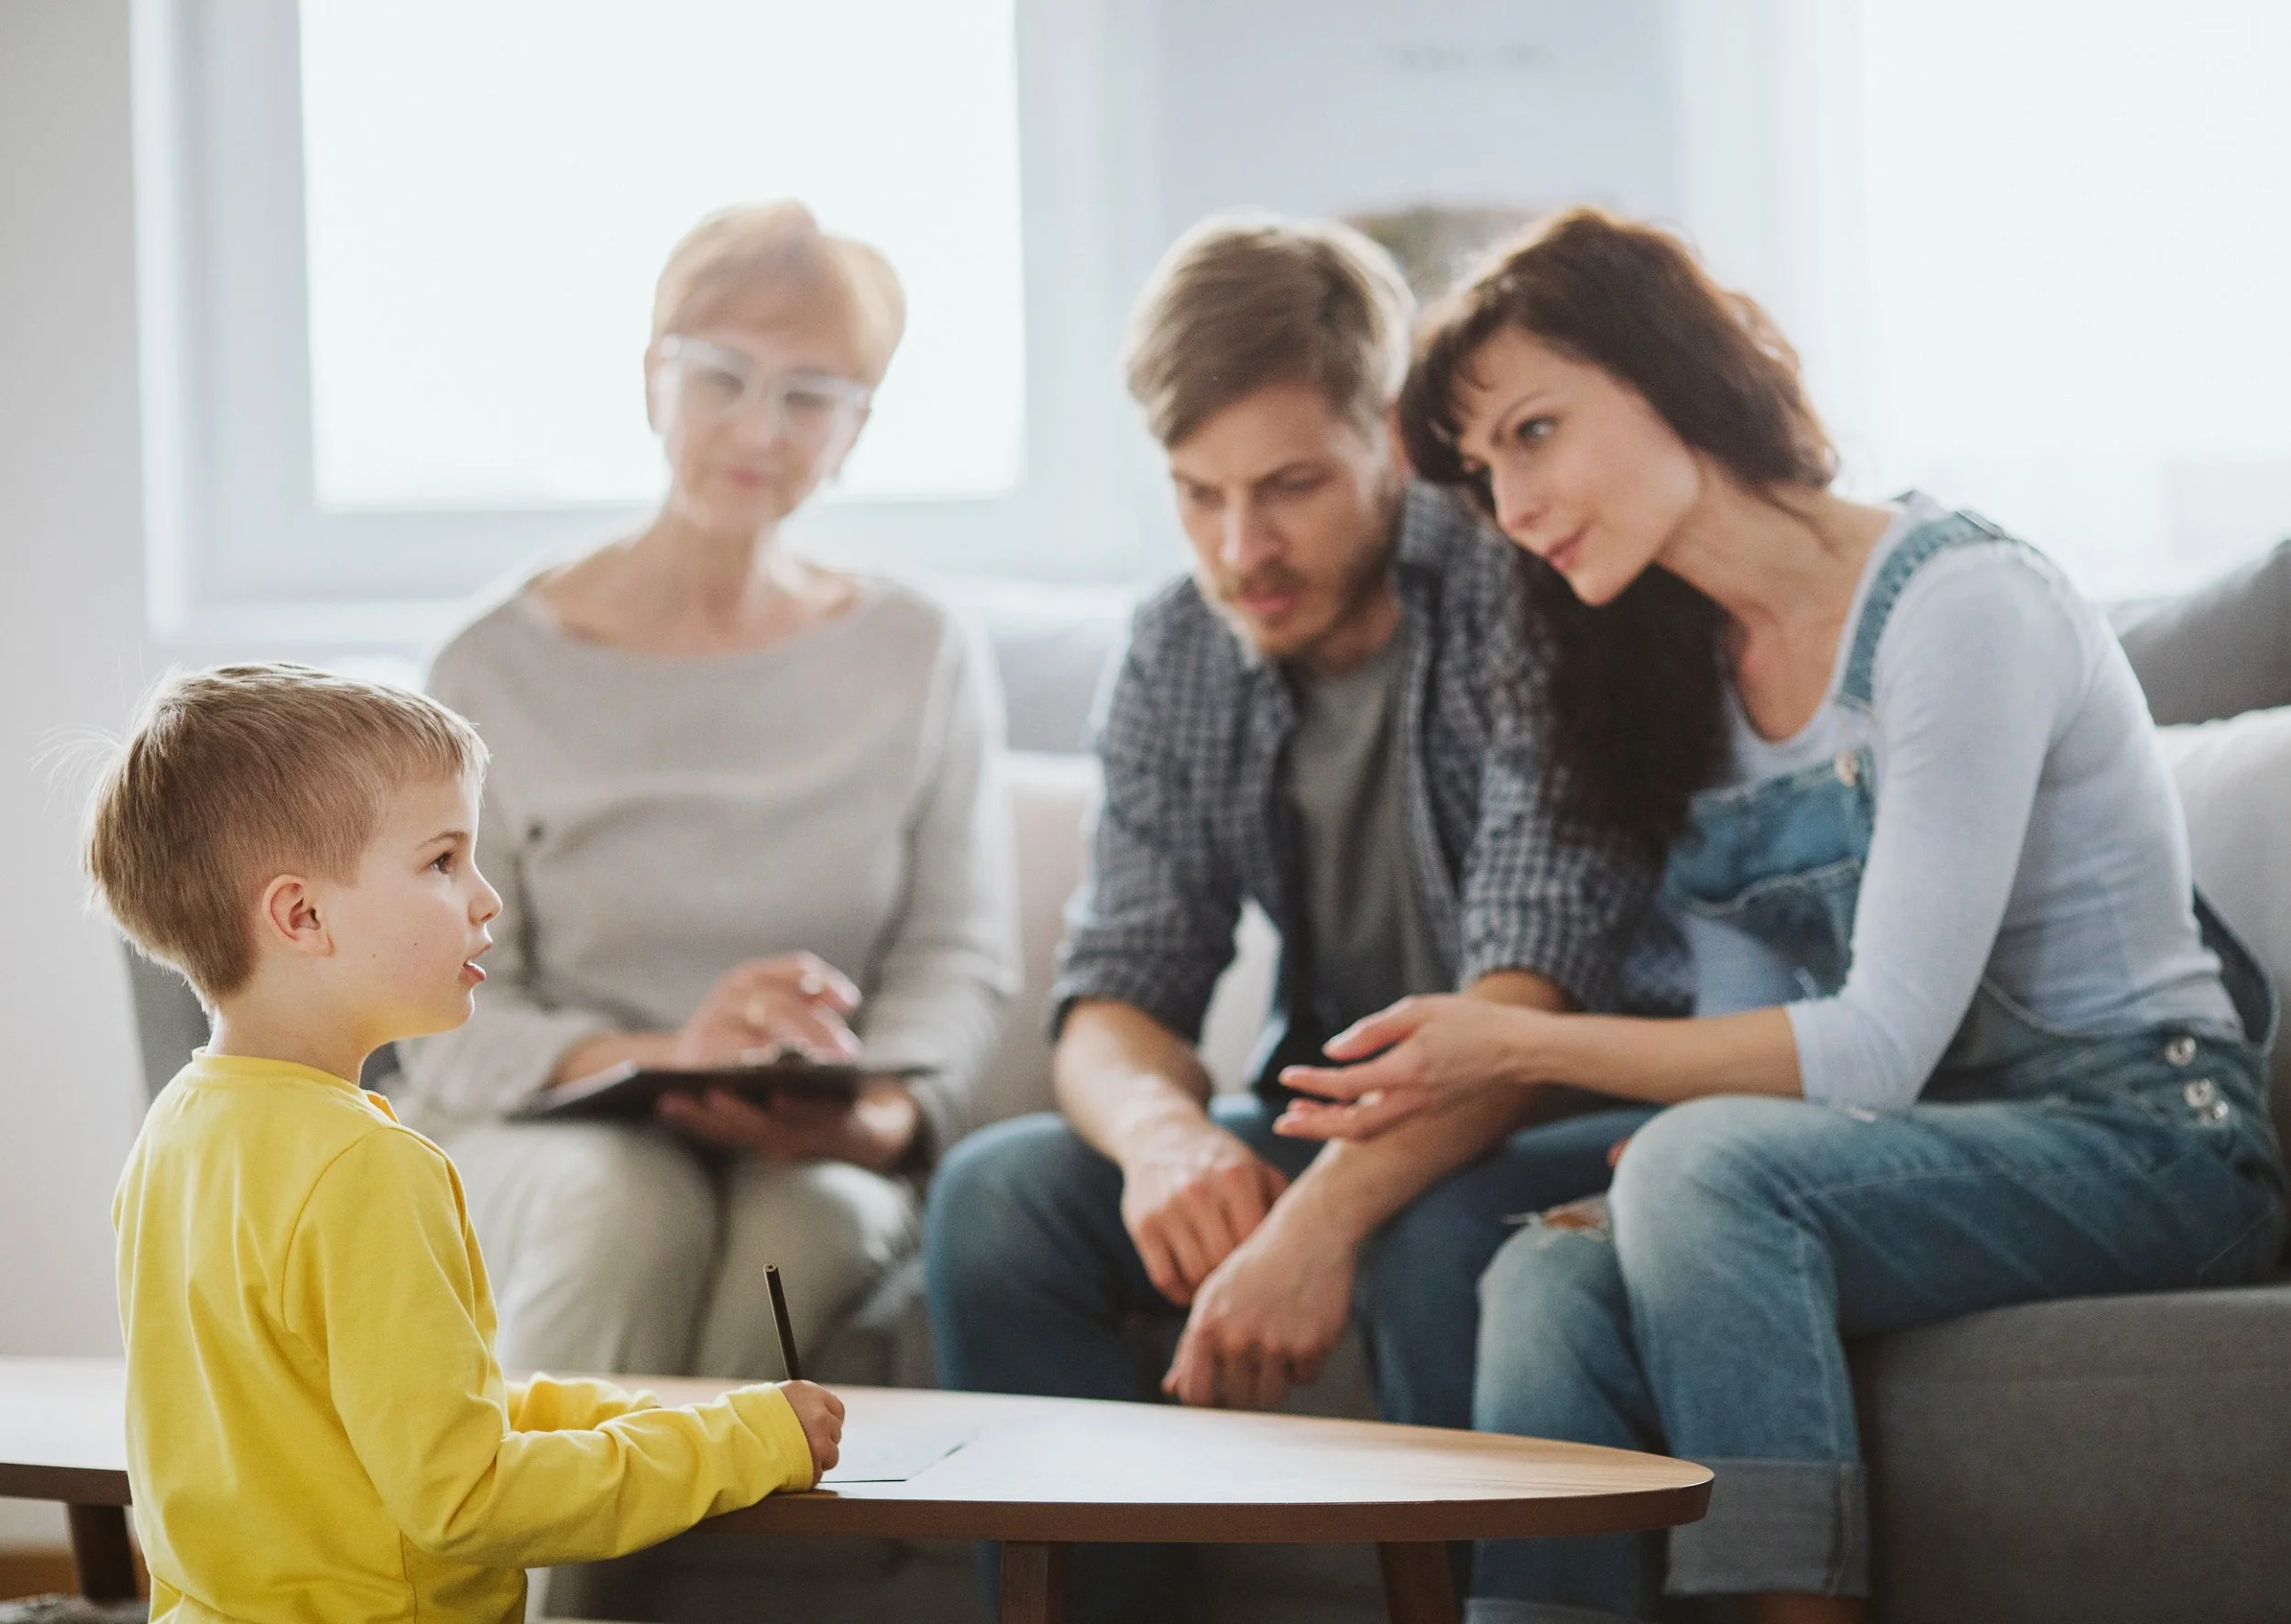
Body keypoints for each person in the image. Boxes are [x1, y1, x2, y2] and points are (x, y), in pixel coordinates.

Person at [1274, 209, 2290, 1623]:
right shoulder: (1673, 676)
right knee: (1542, 1279)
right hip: (1905, 1147)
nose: (1510, 506)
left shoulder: (1959, 603)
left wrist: (1517, 1051)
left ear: (1666, 369)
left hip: (2151, 1146)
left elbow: (1871, 1049)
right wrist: (1659, 1163)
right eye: (1481, 470)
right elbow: (1744, 1027)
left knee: (1694, 1169)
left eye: (1535, 432)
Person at [924, 214, 1681, 1623]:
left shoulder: (1526, 585)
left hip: (1561, 1100)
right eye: (1196, 494)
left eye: (1290, 486)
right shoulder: (1175, 646)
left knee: (1446, 1232)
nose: (1240, 547)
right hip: (1339, 1110)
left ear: (1393, 435)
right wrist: (1162, 1144)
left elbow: (1532, 1008)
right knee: (1002, 1198)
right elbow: (1117, 994)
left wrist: (1317, 1224)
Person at [392, 203, 1019, 1383]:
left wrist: (879, 1116)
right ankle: (523, 1566)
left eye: (810, 394)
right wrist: (663, 1050)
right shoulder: (489, 663)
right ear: (652, 380)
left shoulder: (920, 650)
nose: (758, 426)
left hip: (812, 1150)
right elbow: (446, 999)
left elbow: (957, 953)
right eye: (720, 375)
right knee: (626, 1205)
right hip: (547, 1131)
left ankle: (616, 1554)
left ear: (856, 430)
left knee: (810, 1228)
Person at [91, 664, 844, 1624]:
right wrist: (745, 1445)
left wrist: (652, 1419)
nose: (486, 899)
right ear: (302, 915)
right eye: (443, 860)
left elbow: (403, 1410)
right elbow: (466, 1496)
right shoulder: (364, 1166)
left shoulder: (175, 1134)